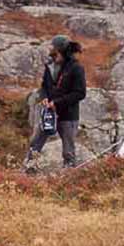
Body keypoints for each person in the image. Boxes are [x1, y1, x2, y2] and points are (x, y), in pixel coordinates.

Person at [23, 34, 85, 170]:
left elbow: (80, 93)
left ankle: (69, 174)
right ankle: (28, 171)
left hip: (68, 115)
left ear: (59, 49)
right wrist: (44, 97)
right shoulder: (49, 66)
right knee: (35, 144)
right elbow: (44, 86)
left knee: (68, 150)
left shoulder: (76, 68)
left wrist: (57, 103)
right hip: (48, 113)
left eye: (53, 46)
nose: (50, 48)